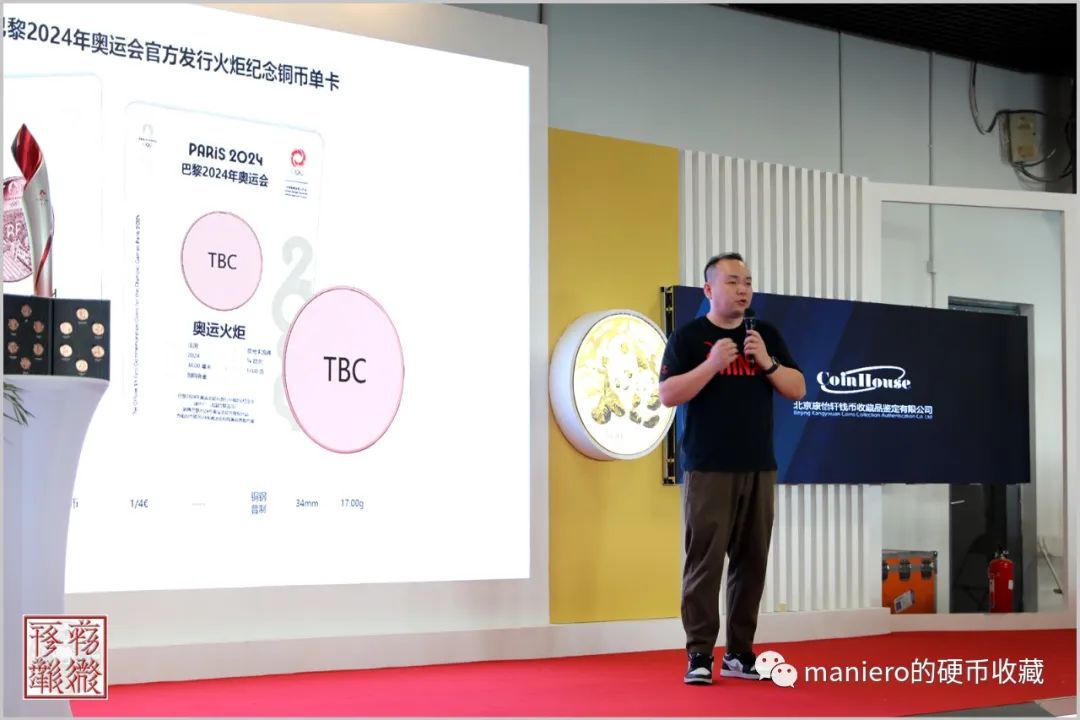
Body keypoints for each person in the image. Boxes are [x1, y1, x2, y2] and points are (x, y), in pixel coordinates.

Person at [658, 252, 806, 685]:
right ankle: (699, 654)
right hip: (709, 467)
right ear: (708, 289)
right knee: (704, 563)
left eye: (748, 282)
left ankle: (740, 654)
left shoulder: (764, 335)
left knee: (751, 562)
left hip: (759, 466)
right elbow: (667, 394)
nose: (743, 290)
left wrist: (768, 362)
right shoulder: (689, 338)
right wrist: (711, 365)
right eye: (732, 282)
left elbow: (798, 388)